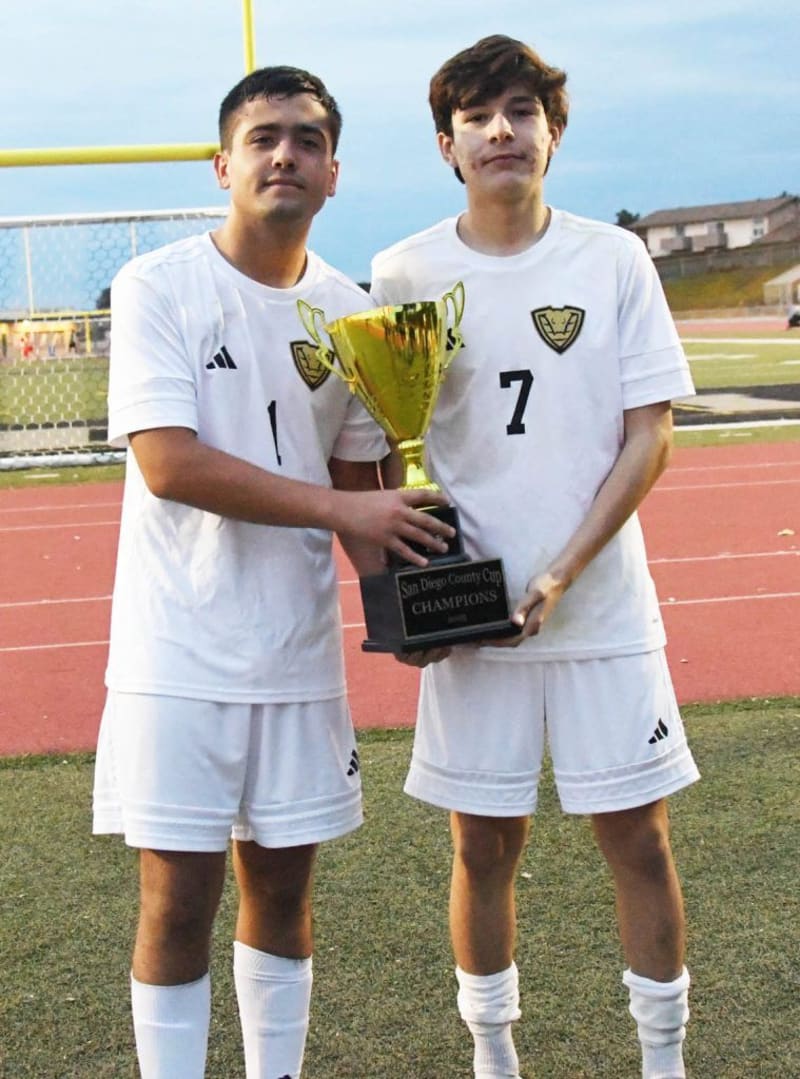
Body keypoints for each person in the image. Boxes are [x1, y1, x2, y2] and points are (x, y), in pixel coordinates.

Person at [92, 65, 453, 1079]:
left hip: (295, 657)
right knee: (177, 898)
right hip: (178, 653)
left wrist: (431, 595)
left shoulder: (351, 314)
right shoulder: (159, 283)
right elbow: (167, 463)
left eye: (304, 139)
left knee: (284, 894)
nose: (283, 154)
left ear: (333, 171)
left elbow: (363, 490)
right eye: (262, 138)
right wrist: (347, 505)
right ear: (223, 164)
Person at [370, 35, 700, 1079]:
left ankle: (662, 1059)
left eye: (520, 110)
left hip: (598, 608)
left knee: (636, 838)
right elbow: (388, 453)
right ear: (445, 143)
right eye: (476, 115)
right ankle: (492, 1057)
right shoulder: (406, 270)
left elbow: (648, 432)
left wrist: (564, 566)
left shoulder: (611, 258)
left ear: (553, 132)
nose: (500, 130)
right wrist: (413, 597)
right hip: (474, 624)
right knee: (481, 846)